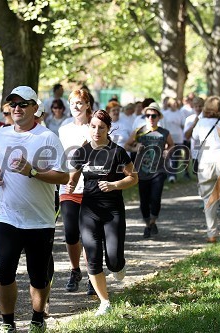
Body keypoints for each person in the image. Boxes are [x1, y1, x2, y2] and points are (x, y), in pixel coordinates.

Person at [0, 86, 68, 333]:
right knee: (4, 271)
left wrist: (32, 171)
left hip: (39, 219)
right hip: (6, 216)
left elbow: (64, 177)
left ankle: (37, 318)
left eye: (23, 104)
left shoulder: (48, 138)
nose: (17, 109)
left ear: (35, 107)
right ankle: (7, 322)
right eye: (13, 104)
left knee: (38, 277)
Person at [67, 109, 138, 316]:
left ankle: (118, 266)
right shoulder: (82, 151)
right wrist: (70, 184)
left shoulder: (117, 152)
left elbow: (133, 178)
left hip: (113, 210)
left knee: (114, 261)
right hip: (89, 211)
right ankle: (104, 301)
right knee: (92, 256)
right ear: (89, 127)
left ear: (108, 129)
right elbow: (72, 177)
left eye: (101, 127)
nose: (97, 131)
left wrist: (115, 185)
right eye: (93, 126)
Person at [58, 89, 93, 295]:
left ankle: (92, 274)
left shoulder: (95, 128)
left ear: (87, 104)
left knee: (89, 235)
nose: (76, 107)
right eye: (73, 103)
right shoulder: (64, 129)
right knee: (71, 233)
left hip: (91, 187)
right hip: (68, 187)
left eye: (80, 103)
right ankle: (75, 270)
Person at [125, 102, 174, 238]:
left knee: (155, 198)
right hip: (142, 171)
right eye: (148, 115)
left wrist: (167, 151)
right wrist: (136, 148)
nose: (151, 118)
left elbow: (171, 145)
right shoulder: (139, 131)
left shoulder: (164, 132)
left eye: (154, 116)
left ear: (159, 117)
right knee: (144, 201)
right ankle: (148, 223)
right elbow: (127, 146)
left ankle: (151, 222)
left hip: (159, 170)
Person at [192, 96, 220, 243]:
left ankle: (212, 234)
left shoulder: (201, 123)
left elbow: (194, 138)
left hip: (206, 163)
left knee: (208, 200)